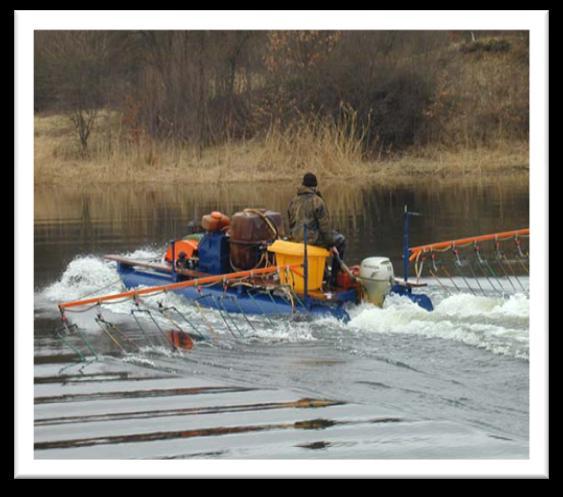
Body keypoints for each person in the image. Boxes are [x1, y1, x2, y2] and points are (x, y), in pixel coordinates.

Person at [287, 172, 347, 287]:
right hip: (312, 240)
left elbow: (291, 224)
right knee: (341, 240)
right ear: (315, 187)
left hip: (296, 239)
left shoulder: (293, 201)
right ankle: (333, 280)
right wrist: (331, 244)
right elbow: (325, 229)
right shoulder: (317, 201)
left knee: (323, 238)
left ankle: (323, 272)